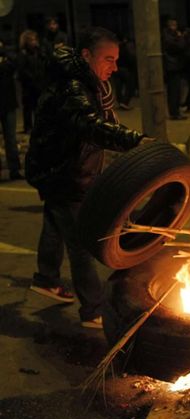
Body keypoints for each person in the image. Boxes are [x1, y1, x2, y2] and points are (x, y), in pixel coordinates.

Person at [25, 27, 149, 329]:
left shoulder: (87, 83)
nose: (115, 67)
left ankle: (46, 278)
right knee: (80, 242)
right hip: (66, 173)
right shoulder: (74, 88)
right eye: (108, 59)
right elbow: (92, 126)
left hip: (58, 169)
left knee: (56, 220)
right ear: (85, 56)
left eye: (117, 59)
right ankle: (93, 310)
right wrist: (137, 142)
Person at [0, 40, 22, 180]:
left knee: (11, 139)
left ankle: (14, 170)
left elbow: (14, 65)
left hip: (8, 103)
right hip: (6, 103)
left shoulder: (8, 59)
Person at [17, 30, 46, 133]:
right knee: (28, 107)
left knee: (39, 106)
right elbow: (22, 70)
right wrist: (32, 79)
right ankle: (28, 127)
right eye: (31, 40)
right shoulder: (23, 54)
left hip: (39, 84)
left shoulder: (38, 52)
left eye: (34, 39)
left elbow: (44, 63)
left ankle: (40, 126)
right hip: (29, 85)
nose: (33, 42)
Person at [162, 18, 187, 120]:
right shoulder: (168, 36)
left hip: (175, 65)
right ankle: (174, 112)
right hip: (172, 66)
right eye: (172, 25)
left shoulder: (170, 36)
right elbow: (179, 47)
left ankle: (176, 111)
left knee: (176, 91)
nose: (174, 27)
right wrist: (180, 37)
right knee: (173, 91)